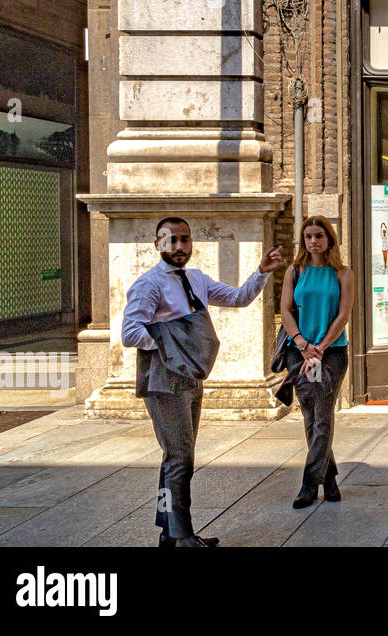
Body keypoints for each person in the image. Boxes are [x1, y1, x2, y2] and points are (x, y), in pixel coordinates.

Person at [122, 217, 283, 547]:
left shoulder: (196, 279)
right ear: (158, 245)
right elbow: (130, 332)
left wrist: (262, 271)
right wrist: (174, 346)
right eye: (171, 240)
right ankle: (182, 537)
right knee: (180, 459)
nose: (179, 247)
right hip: (164, 381)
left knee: (175, 458)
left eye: (185, 240)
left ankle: (170, 531)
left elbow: (238, 298)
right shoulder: (149, 284)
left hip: (190, 378)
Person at [279, 215, 354, 509]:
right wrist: (301, 343)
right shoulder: (294, 271)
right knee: (311, 416)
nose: (313, 241)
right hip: (299, 351)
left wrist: (320, 348)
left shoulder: (343, 273)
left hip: (331, 353)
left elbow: (343, 315)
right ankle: (330, 478)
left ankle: (310, 485)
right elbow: (285, 311)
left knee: (322, 416)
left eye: (319, 236)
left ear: (329, 239)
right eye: (308, 236)